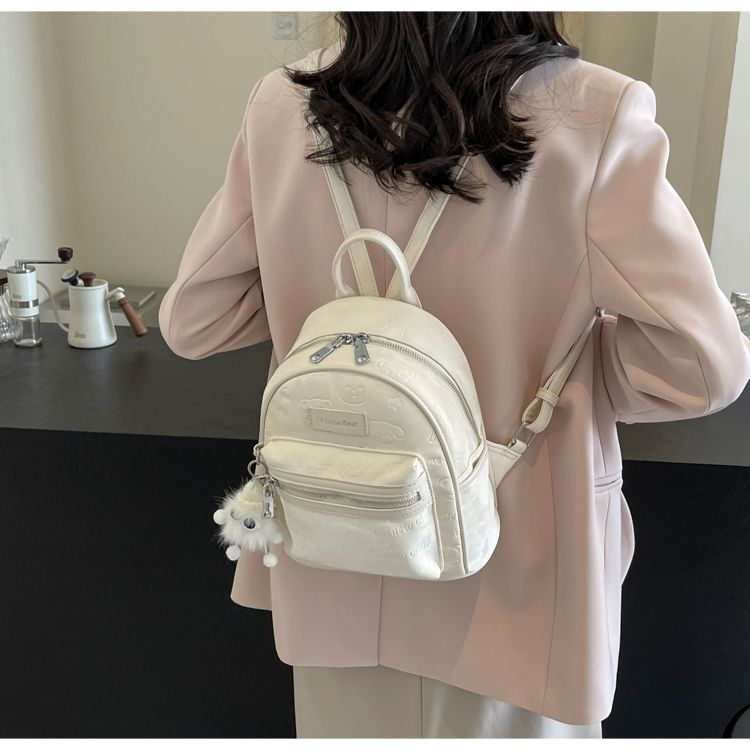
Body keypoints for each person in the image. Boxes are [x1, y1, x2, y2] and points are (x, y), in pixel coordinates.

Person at [158, 11, 750, 739]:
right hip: (513, 564)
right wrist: (569, 364)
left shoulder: (284, 105)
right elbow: (703, 365)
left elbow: (196, 319)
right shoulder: (595, 113)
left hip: (337, 551)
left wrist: (317, 314)